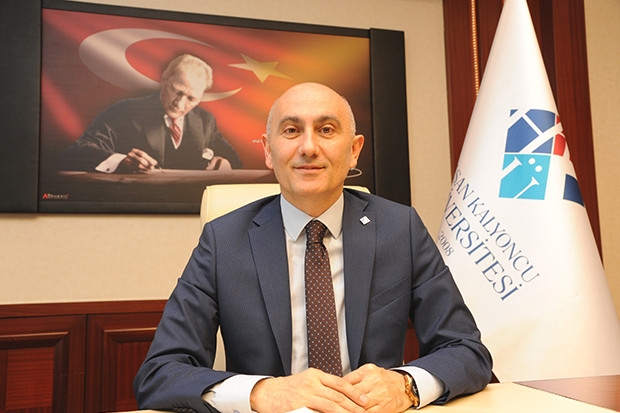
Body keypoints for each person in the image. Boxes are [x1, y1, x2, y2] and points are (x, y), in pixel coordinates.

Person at [134, 82, 492, 413]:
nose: (308, 147)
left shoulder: (401, 229)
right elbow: (160, 374)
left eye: (326, 130)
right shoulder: (223, 241)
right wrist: (262, 392)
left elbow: (467, 351)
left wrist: (405, 386)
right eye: (291, 130)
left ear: (354, 150)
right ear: (268, 151)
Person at [58, 54, 242, 173]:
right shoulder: (125, 111)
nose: (180, 104)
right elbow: (77, 152)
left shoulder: (205, 121)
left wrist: (226, 164)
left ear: (200, 98)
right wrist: (122, 162)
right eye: (177, 91)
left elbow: (236, 162)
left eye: (191, 98)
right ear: (164, 80)